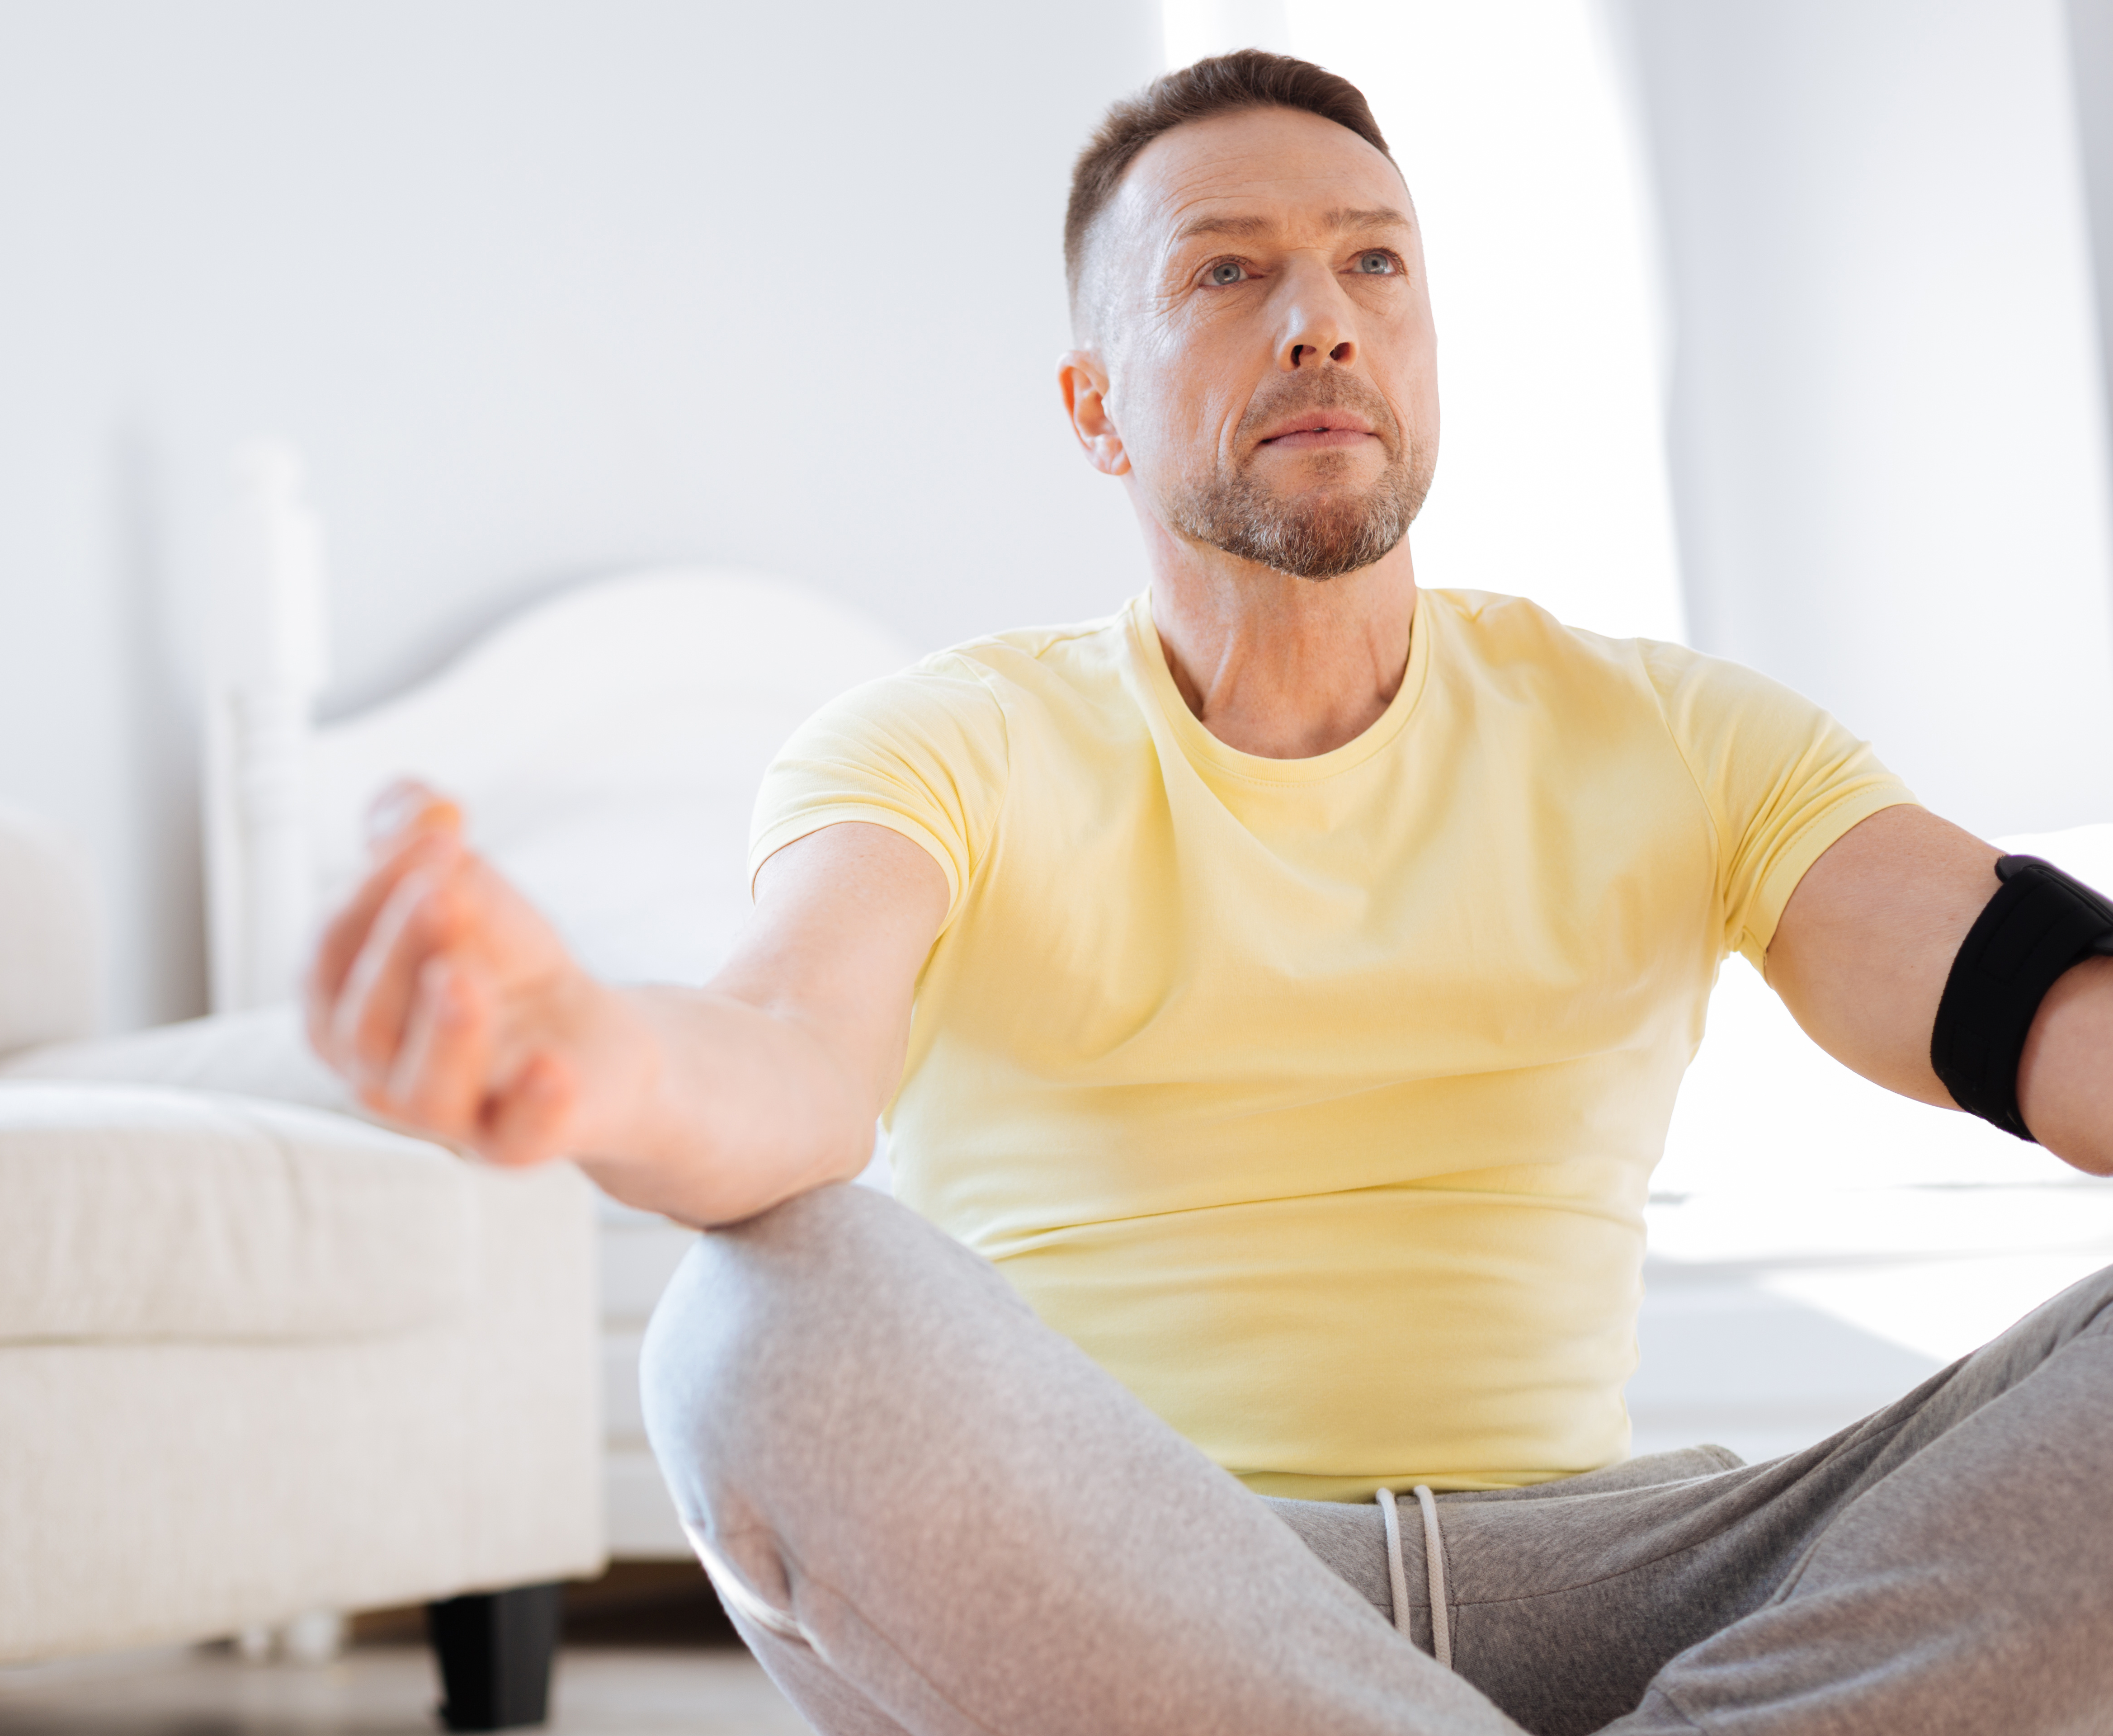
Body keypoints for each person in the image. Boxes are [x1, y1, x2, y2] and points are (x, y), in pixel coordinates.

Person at [307, 49, 2113, 1736]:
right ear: (1097, 409)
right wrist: (594, 1060)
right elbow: (790, 1047)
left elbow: (2022, 994)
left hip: (1652, 1584)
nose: (1320, 319)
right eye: (1227, 275)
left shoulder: (1672, 729)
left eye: (1374, 267)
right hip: (1154, 1592)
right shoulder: (951, 742)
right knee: (745, 1330)